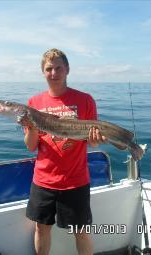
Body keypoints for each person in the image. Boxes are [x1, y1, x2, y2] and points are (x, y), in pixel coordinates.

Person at [17, 48, 105, 255]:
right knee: (41, 228)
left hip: (76, 180)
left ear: (67, 70)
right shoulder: (33, 103)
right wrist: (31, 127)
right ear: (43, 72)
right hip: (44, 180)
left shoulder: (85, 100)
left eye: (58, 68)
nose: (54, 73)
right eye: (49, 69)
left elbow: (92, 143)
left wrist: (94, 140)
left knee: (81, 231)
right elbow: (31, 146)